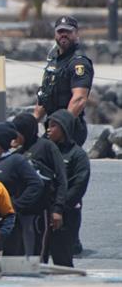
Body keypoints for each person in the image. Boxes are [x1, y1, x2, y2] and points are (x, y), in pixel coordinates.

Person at [11, 113, 68, 259]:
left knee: (38, 254)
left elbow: (61, 179)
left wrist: (58, 209)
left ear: (25, 131)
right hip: (20, 212)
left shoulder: (47, 147)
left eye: (17, 132)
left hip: (40, 211)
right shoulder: (18, 153)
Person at [0, 122, 44, 255]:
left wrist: (16, 205)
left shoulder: (16, 161)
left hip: (9, 223)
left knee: (10, 258)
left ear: (1, 142)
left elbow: (36, 184)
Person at [34, 16, 94, 146]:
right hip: (52, 126)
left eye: (68, 31)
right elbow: (44, 96)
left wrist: (62, 126)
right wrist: (31, 124)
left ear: (76, 34)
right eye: (60, 31)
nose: (64, 34)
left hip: (70, 128)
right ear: (55, 34)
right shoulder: (53, 62)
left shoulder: (79, 62)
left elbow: (79, 99)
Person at [43, 109, 90, 267]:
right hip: (43, 213)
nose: (49, 129)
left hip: (66, 214)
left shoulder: (77, 155)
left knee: (62, 260)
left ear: (64, 128)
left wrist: (59, 207)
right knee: (38, 259)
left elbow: (79, 185)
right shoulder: (44, 150)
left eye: (54, 126)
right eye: (48, 125)